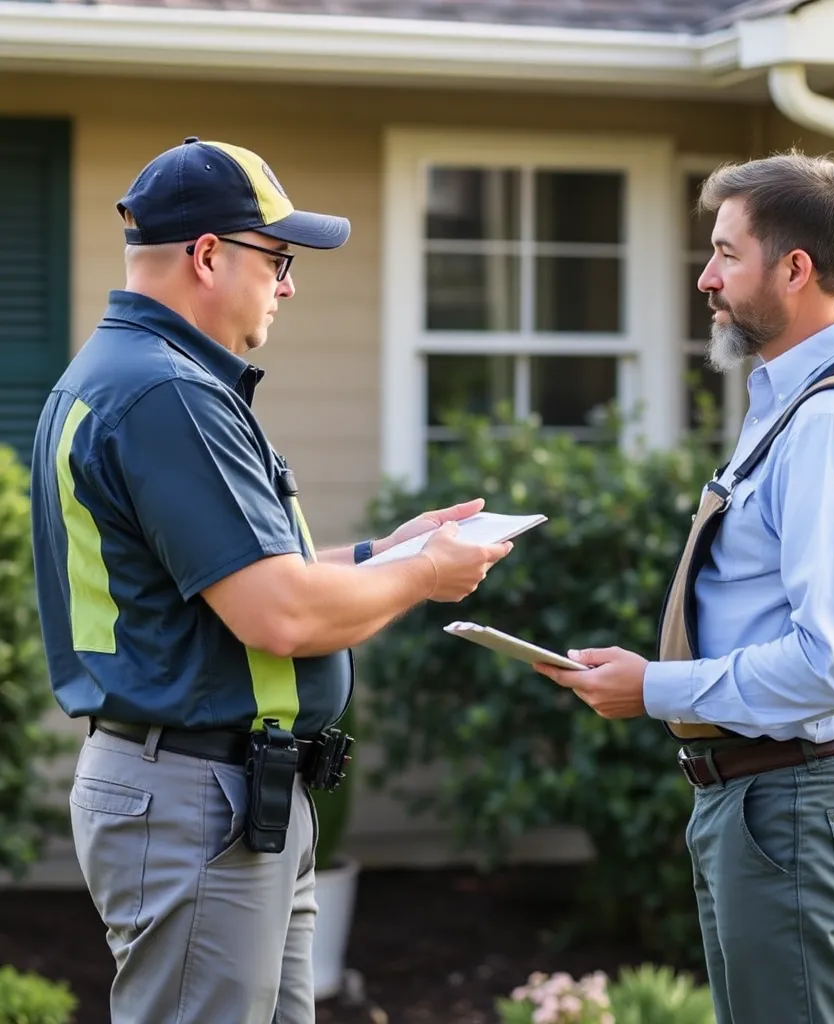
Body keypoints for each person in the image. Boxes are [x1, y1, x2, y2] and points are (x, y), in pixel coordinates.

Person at [30, 136, 511, 1024]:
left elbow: (240, 581)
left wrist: (385, 554)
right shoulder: (167, 394)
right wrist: (426, 575)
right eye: (277, 259)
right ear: (208, 255)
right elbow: (280, 616)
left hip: (214, 793)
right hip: (194, 798)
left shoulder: (134, 377)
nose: (287, 286)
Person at [536, 151, 834, 1024]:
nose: (706, 278)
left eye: (726, 253)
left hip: (801, 799)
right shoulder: (801, 403)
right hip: (773, 798)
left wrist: (655, 687)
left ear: (795, 269)